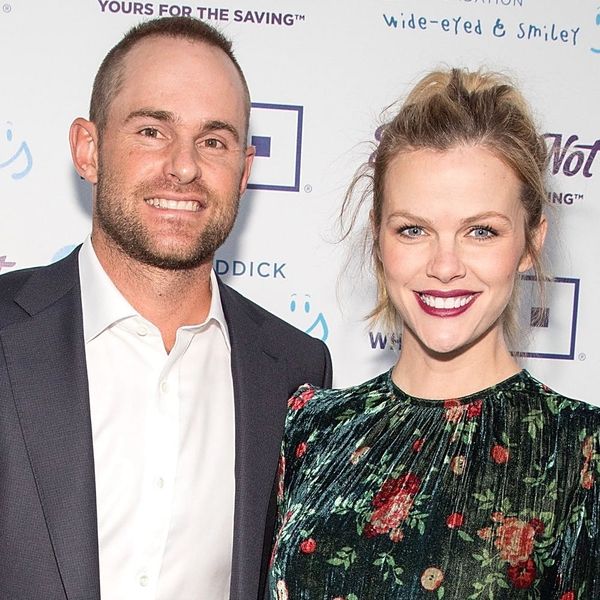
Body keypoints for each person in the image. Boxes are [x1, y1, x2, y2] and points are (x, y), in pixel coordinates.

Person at [0, 16, 331, 600]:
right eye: (152, 131)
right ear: (88, 149)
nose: (184, 166)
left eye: (214, 141)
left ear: (245, 170)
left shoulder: (295, 372)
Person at [267, 68, 600, 599]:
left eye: (481, 231)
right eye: (413, 230)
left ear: (531, 241)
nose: (445, 266)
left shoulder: (583, 452)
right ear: (379, 237)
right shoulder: (312, 427)